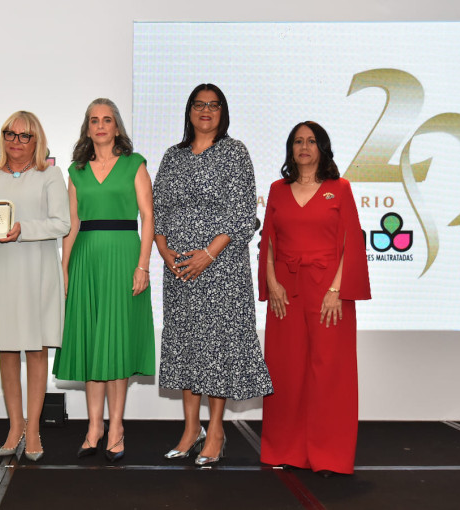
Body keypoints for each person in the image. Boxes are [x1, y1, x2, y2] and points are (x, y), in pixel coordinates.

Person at [153, 83, 273, 466]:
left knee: (217, 348)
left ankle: (216, 429)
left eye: (214, 105)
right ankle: (191, 429)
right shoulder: (173, 157)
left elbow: (242, 214)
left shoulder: (235, 152)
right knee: (188, 345)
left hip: (221, 269)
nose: (206, 111)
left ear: (223, 112)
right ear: (189, 112)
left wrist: (208, 253)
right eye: (199, 105)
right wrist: (164, 250)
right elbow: (158, 209)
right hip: (179, 270)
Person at [258, 121, 371, 476]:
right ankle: (285, 449)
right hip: (285, 294)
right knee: (286, 370)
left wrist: (337, 290)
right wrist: (272, 282)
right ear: (290, 149)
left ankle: (329, 455)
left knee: (329, 374)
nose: (304, 147)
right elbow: (270, 241)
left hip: (329, 294)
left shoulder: (340, 188)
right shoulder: (277, 189)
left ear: (322, 148)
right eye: (297, 141)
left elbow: (351, 241)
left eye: (311, 141)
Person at [53, 98, 155, 462]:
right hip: (86, 259)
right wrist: (65, 269)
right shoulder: (76, 171)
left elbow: (148, 217)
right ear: (87, 127)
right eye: (94, 120)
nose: (100, 125)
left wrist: (143, 265)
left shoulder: (135, 164)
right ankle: (94, 426)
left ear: (116, 127)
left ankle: (116, 428)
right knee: (92, 345)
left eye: (107, 119)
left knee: (116, 345)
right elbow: (72, 224)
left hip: (124, 258)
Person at [0, 111, 70, 462]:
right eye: (10, 134)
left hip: (36, 271)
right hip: (1, 270)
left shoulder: (50, 174)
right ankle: (14, 427)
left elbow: (61, 223)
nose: (16, 141)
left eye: (24, 136)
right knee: (6, 349)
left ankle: (33, 431)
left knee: (35, 350)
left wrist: (22, 229)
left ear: (37, 140)